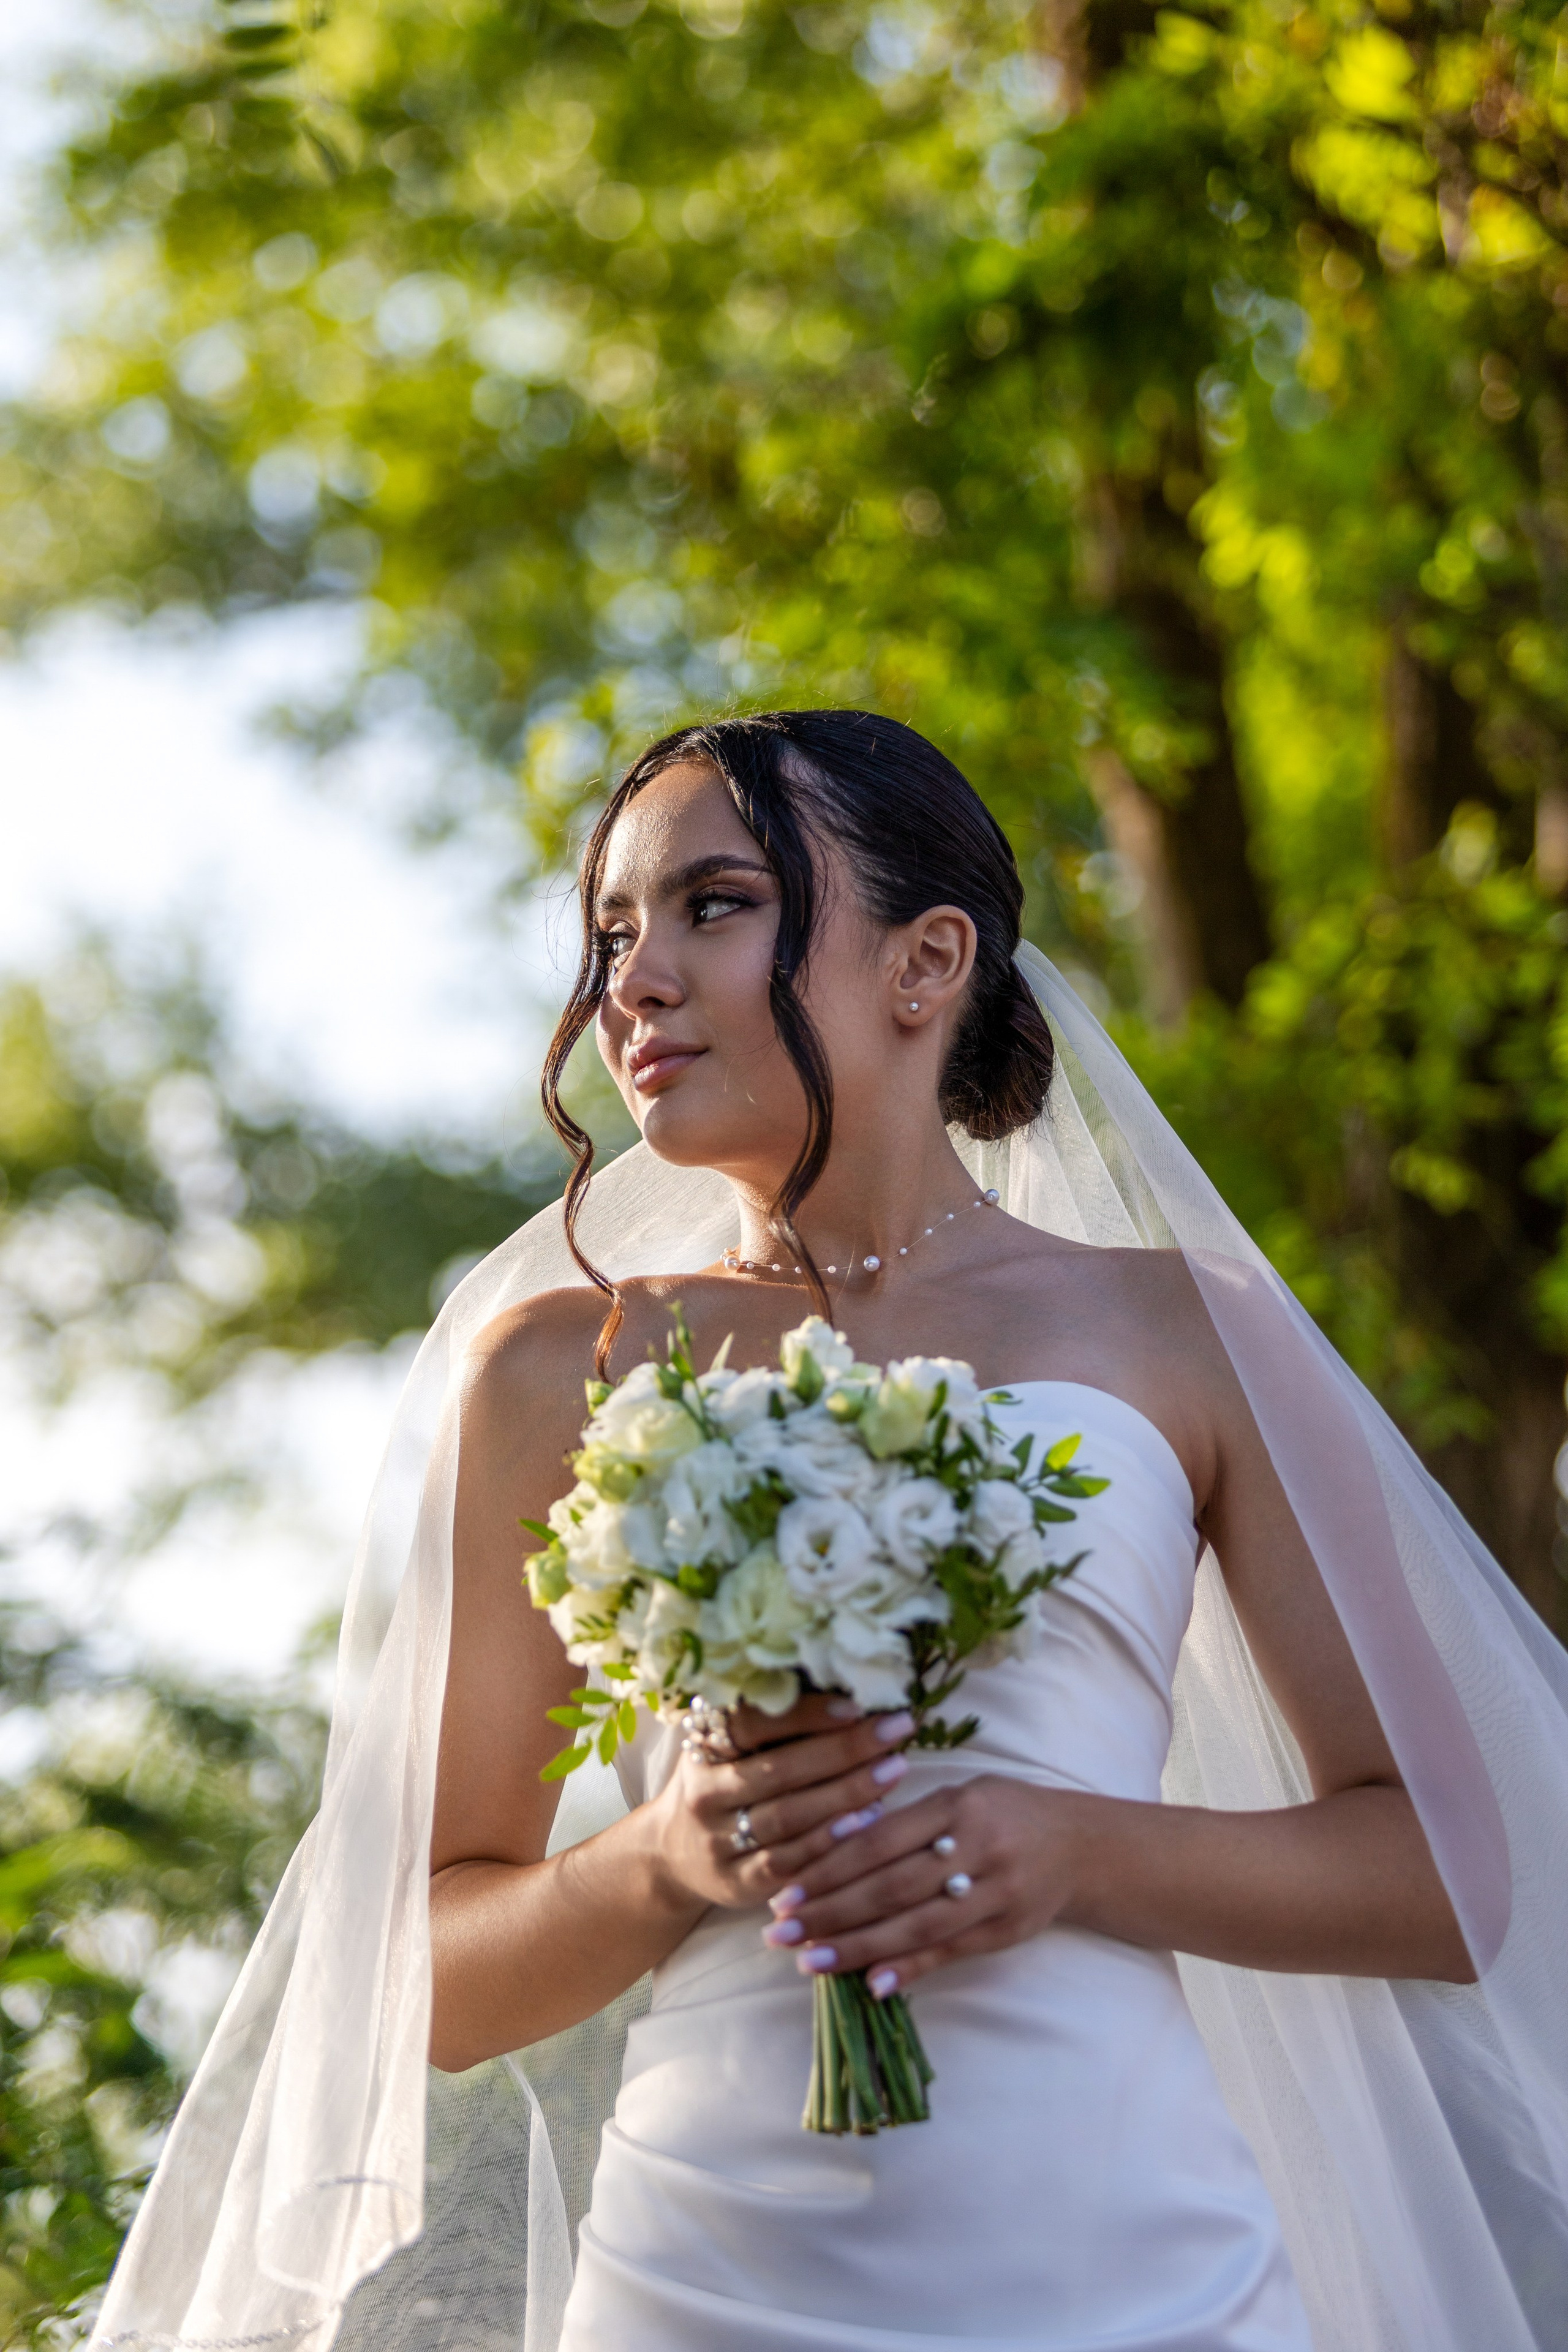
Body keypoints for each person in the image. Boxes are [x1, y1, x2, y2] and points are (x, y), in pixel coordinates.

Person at [91, 713, 1568, 2352]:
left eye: (714, 905)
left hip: (1128, 2263)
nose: (632, 984)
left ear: (926, 962)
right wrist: (665, 1857)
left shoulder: (1192, 1337)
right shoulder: (551, 1373)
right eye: (612, 933)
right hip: (709, 2271)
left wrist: (1068, 1844)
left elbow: (1443, 1874)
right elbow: (426, 1981)